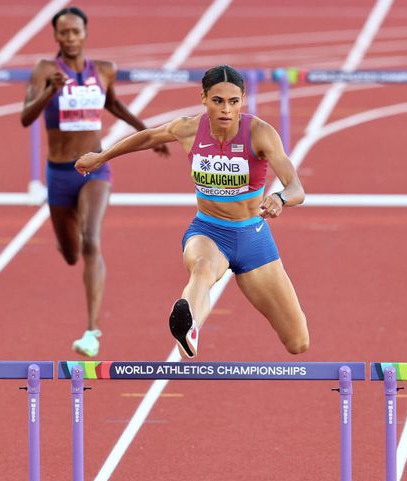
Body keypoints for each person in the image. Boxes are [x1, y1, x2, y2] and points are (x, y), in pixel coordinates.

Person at [75, 65, 310, 359]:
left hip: (253, 236)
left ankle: (192, 322)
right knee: (202, 269)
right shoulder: (188, 129)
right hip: (209, 231)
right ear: (203, 98)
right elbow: (148, 137)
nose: (226, 109)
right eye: (218, 101)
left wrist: (280, 197)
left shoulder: (260, 133)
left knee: (298, 342)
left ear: (242, 101)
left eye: (233, 102)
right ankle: (189, 327)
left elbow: (296, 188)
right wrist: (102, 156)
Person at [20, 6, 168, 357]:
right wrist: (47, 93)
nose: (70, 38)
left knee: (91, 240)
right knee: (72, 254)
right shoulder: (44, 71)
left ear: (85, 33)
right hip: (58, 174)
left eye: (76, 32)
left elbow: (114, 105)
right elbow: (26, 118)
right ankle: (68, 241)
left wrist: (149, 135)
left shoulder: (103, 71)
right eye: (64, 32)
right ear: (56, 36)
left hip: (95, 167)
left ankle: (91, 331)